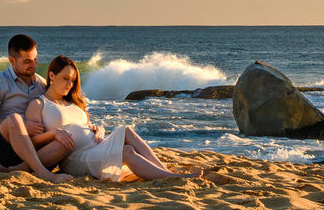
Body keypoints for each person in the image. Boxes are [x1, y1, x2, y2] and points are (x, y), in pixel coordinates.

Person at [24, 55, 203, 181]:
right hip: (75, 158)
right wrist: (54, 134)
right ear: (52, 76)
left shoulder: (74, 102)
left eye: (73, 80)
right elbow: (31, 143)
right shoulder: (39, 104)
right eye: (65, 79)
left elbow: (86, 127)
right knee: (126, 148)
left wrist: (98, 129)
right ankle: (169, 176)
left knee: (127, 139)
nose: (70, 85)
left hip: (96, 147)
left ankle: (163, 171)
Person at [0, 34, 75, 183]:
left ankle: (18, 170)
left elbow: (64, 107)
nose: (33, 65)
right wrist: (23, 127)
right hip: (4, 151)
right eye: (27, 61)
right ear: (12, 61)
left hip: (35, 146)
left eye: (35, 59)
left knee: (66, 140)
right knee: (15, 119)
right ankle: (43, 173)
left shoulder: (41, 84)